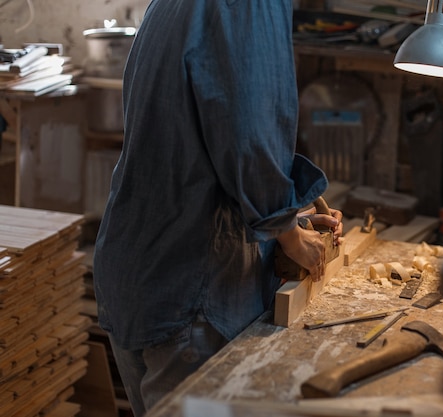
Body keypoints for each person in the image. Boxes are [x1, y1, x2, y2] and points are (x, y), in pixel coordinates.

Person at [92, 1, 343, 415]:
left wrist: (288, 218)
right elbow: (251, 140)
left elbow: (197, 142)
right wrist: (289, 234)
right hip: (191, 296)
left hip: (139, 273)